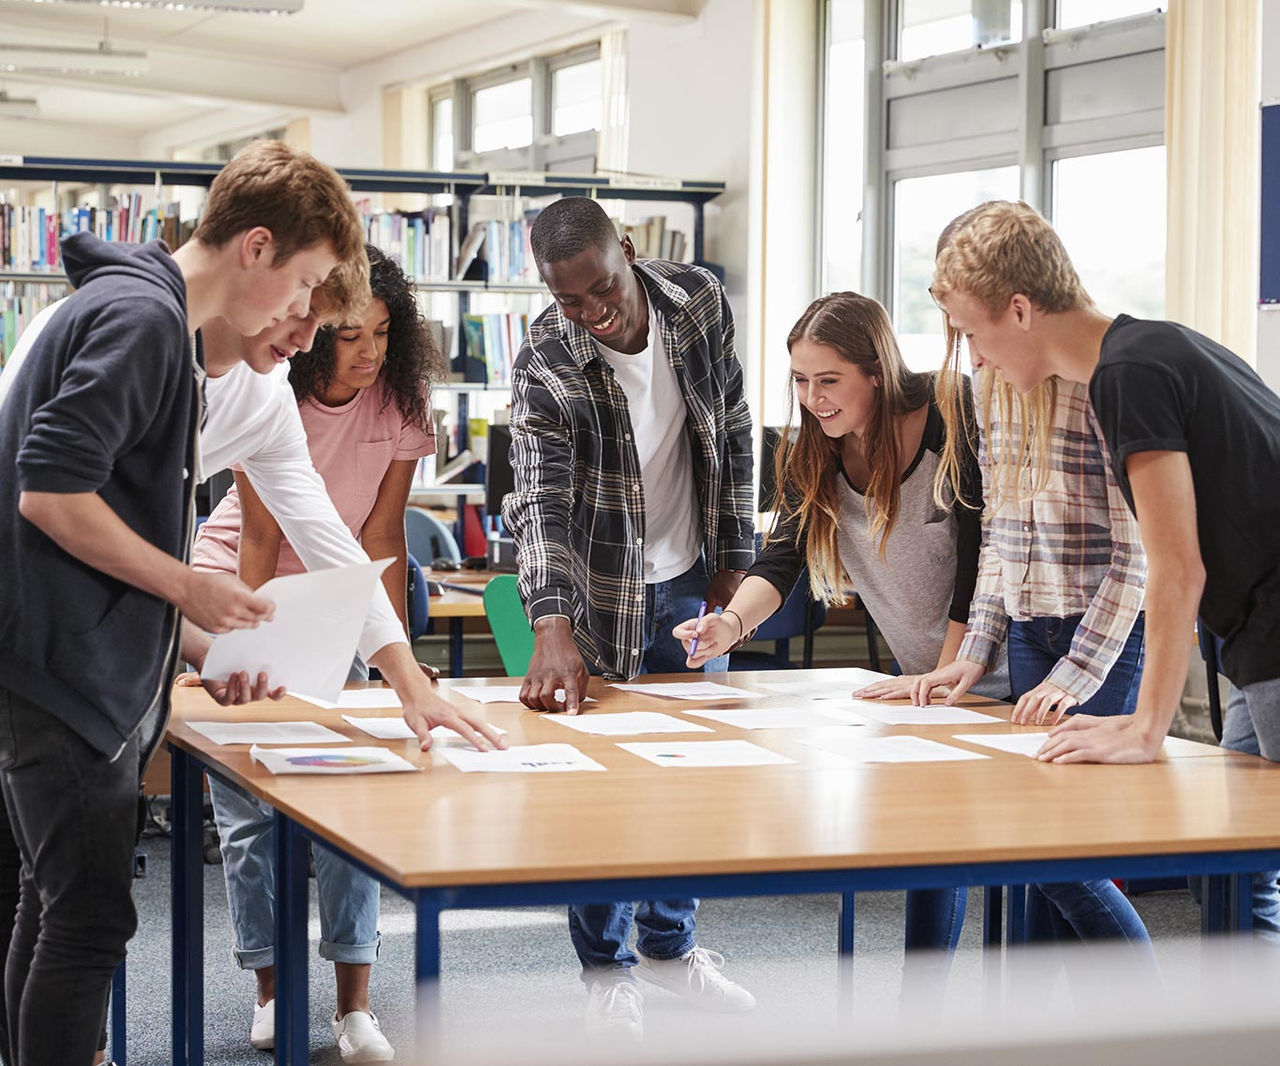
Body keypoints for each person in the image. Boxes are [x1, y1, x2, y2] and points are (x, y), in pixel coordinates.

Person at [0, 139, 353, 1066]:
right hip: (60, 671)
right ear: (256, 248)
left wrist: (193, 640)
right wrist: (187, 584)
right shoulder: (144, 320)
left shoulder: (141, 312)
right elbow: (51, 493)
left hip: (62, 662)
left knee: (50, 910)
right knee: (85, 926)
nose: (301, 314)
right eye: (303, 284)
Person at [675, 291, 1009, 968]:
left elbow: (980, 556)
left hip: (999, 662)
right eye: (801, 380)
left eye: (829, 380)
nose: (813, 398)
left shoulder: (954, 413)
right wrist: (731, 624)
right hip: (931, 677)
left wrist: (946, 675)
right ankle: (922, 1022)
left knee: (1054, 871)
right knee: (933, 850)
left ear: (876, 372)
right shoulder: (818, 450)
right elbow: (784, 554)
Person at [503, 196, 756, 1039]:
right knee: (599, 792)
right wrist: (548, 622)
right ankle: (607, 972)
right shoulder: (547, 350)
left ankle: (671, 948)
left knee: (689, 777)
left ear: (632, 252)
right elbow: (536, 494)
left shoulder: (697, 302)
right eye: (567, 297)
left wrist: (735, 556)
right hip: (599, 589)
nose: (590, 310)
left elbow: (734, 424)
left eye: (601, 287)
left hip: (689, 580)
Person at [187, 245, 444, 1062]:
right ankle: (269, 990)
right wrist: (259, 655)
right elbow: (261, 535)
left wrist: (396, 656)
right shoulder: (271, 393)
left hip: (343, 593)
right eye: (348, 337)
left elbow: (378, 536)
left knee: (352, 809)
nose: (369, 352)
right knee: (251, 815)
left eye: (382, 333)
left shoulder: (400, 400)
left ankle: (354, 1007)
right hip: (237, 583)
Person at [913, 202, 1151, 950]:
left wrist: (1077, 675)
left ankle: (1149, 1018)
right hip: (1026, 634)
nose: (971, 357)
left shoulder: (1103, 383)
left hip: (1101, 636)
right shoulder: (989, 386)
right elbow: (1000, 534)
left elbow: (1139, 554)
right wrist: (972, 655)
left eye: (974, 334)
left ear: (1017, 311)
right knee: (1035, 861)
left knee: (1064, 854)